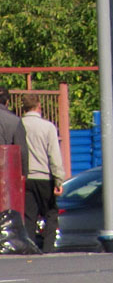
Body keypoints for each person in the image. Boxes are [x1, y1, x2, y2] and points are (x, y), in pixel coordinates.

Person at [21, 94, 65, 252]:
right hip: (45, 177)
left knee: (29, 216)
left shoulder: (19, 125)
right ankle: (48, 248)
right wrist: (59, 179)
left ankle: (30, 247)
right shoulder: (48, 127)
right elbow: (54, 155)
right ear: (39, 106)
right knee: (51, 213)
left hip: (25, 177)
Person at [0, 86, 28, 178]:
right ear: (7, 102)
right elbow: (22, 151)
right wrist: (23, 174)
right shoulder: (14, 121)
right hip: (6, 172)